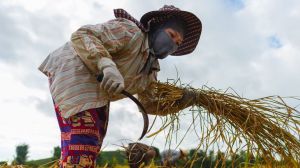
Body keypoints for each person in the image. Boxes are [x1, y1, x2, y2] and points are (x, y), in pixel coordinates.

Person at [38, 5, 202, 168]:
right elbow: (83, 35)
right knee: (84, 140)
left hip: (98, 91)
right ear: (156, 27)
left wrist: (183, 102)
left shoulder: (151, 70)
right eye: (171, 35)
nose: (173, 43)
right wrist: (106, 65)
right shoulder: (131, 32)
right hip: (76, 70)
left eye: (178, 43)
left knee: (92, 145)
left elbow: (148, 104)